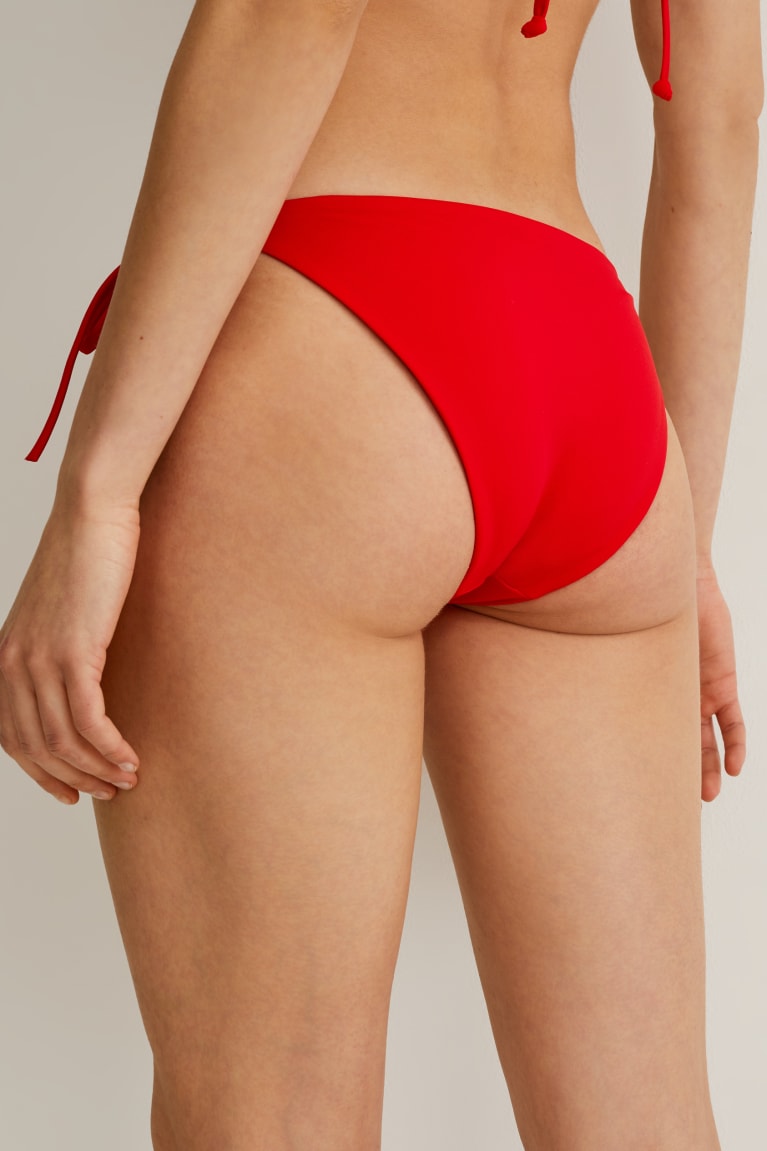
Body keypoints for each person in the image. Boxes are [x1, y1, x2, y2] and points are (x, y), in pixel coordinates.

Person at [0, 0, 761, 1146]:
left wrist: (99, 490)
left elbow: (286, 13)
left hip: (332, 339)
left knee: (271, 1117)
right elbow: (716, 111)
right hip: (584, 374)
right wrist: (683, 542)